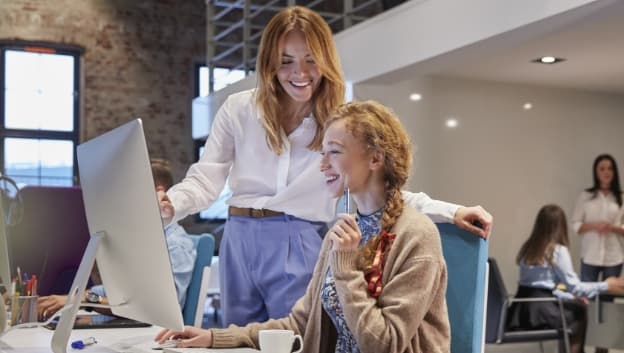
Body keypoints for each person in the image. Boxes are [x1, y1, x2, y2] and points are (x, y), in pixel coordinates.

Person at [158, 5, 492, 327]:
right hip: (237, 238)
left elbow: (378, 187)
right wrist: (171, 204)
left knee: (297, 338)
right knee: (242, 340)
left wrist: (451, 212)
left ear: (326, 62)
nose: (299, 74)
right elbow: (205, 178)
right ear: (269, 64)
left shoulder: (338, 121)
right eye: (285, 61)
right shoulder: (239, 109)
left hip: (300, 238)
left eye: (310, 61)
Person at [156, 100, 450, 353]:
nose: (322, 165)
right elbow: (300, 322)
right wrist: (213, 337)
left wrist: (346, 270)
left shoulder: (416, 236)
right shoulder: (343, 232)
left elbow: (384, 345)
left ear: (375, 158)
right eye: (321, 153)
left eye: (333, 151)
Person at [37, 159, 196, 320]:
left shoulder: (176, 245)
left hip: (148, 332)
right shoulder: (143, 240)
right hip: (127, 323)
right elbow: (121, 294)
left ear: (158, 191)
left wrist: (85, 301)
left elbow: (159, 311)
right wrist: (69, 299)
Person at [507, 205, 624, 353]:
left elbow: (541, 289)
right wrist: (607, 284)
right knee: (579, 311)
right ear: (560, 226)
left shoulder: (528, 248)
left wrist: (570, 297)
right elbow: (575, 287)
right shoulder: (557, 251)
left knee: (573, 305)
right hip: (543, 313)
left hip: (521, 313)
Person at [572, 154, 624, 288]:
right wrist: (595, 226)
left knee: (608, 300)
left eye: (610, 169)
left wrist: (612, 228)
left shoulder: (621, 197)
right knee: (587, 296)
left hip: (614, 256)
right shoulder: (586, 196)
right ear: (596, 172)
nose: (606, 172)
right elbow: (576, 224)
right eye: (602, 169)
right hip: (590, 254)